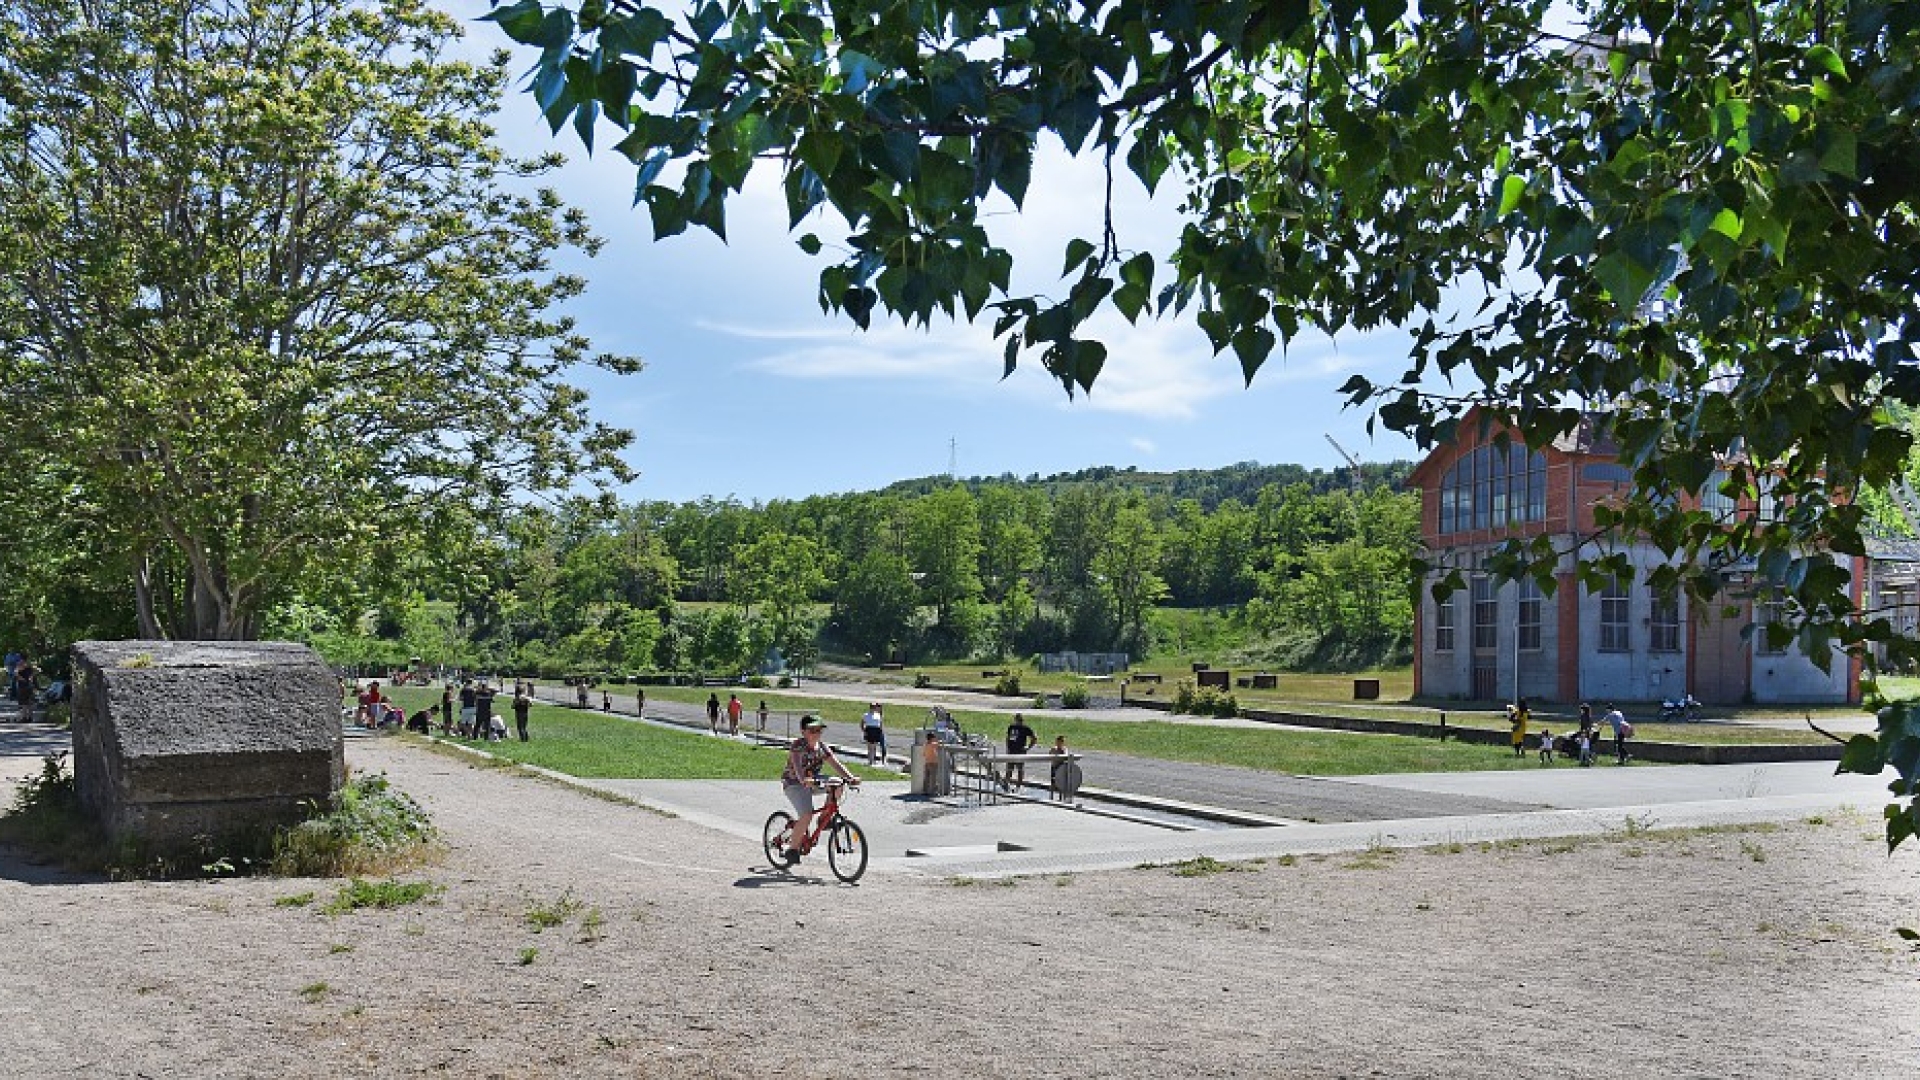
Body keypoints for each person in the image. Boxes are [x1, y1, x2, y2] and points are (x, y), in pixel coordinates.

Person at [779, 716, 858, 863]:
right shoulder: (798, 746)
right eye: (812, 730)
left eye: (819, 730)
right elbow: (796, 767)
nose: (816, 733)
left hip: (814, 781)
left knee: (838, 784)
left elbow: (836, 764)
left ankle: (825, 819)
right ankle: (793, 849)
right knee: (807, 814)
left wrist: (850, 778)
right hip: (794, 783)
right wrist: (804, 780)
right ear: (803, 731)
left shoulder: (822, 747)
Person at [1004, 712, 1037, 787]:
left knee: (1019, 769)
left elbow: (1034, 738)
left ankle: (1018, 787)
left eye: (1019, 720)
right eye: (1017, 719)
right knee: (1009, 769)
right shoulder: (1011, 727)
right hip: (1012, 751)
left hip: (1020, 751)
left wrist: (1028, 747)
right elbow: (1008, 738)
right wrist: (1008, 748)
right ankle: (1006, 785)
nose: (1018, 721)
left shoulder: (1025, 728)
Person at [1049, 735, 1071, 800]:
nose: (1059, 743)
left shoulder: (1064, 749)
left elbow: (1066, 756)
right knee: (1053, 781)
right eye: (1058, 742)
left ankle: (1061, 797)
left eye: (1062, 742)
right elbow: (1050, 754)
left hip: (1061, 767)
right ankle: (1051, 796)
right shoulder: (1054, 749)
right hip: (1054, 766)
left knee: (1061, 782)